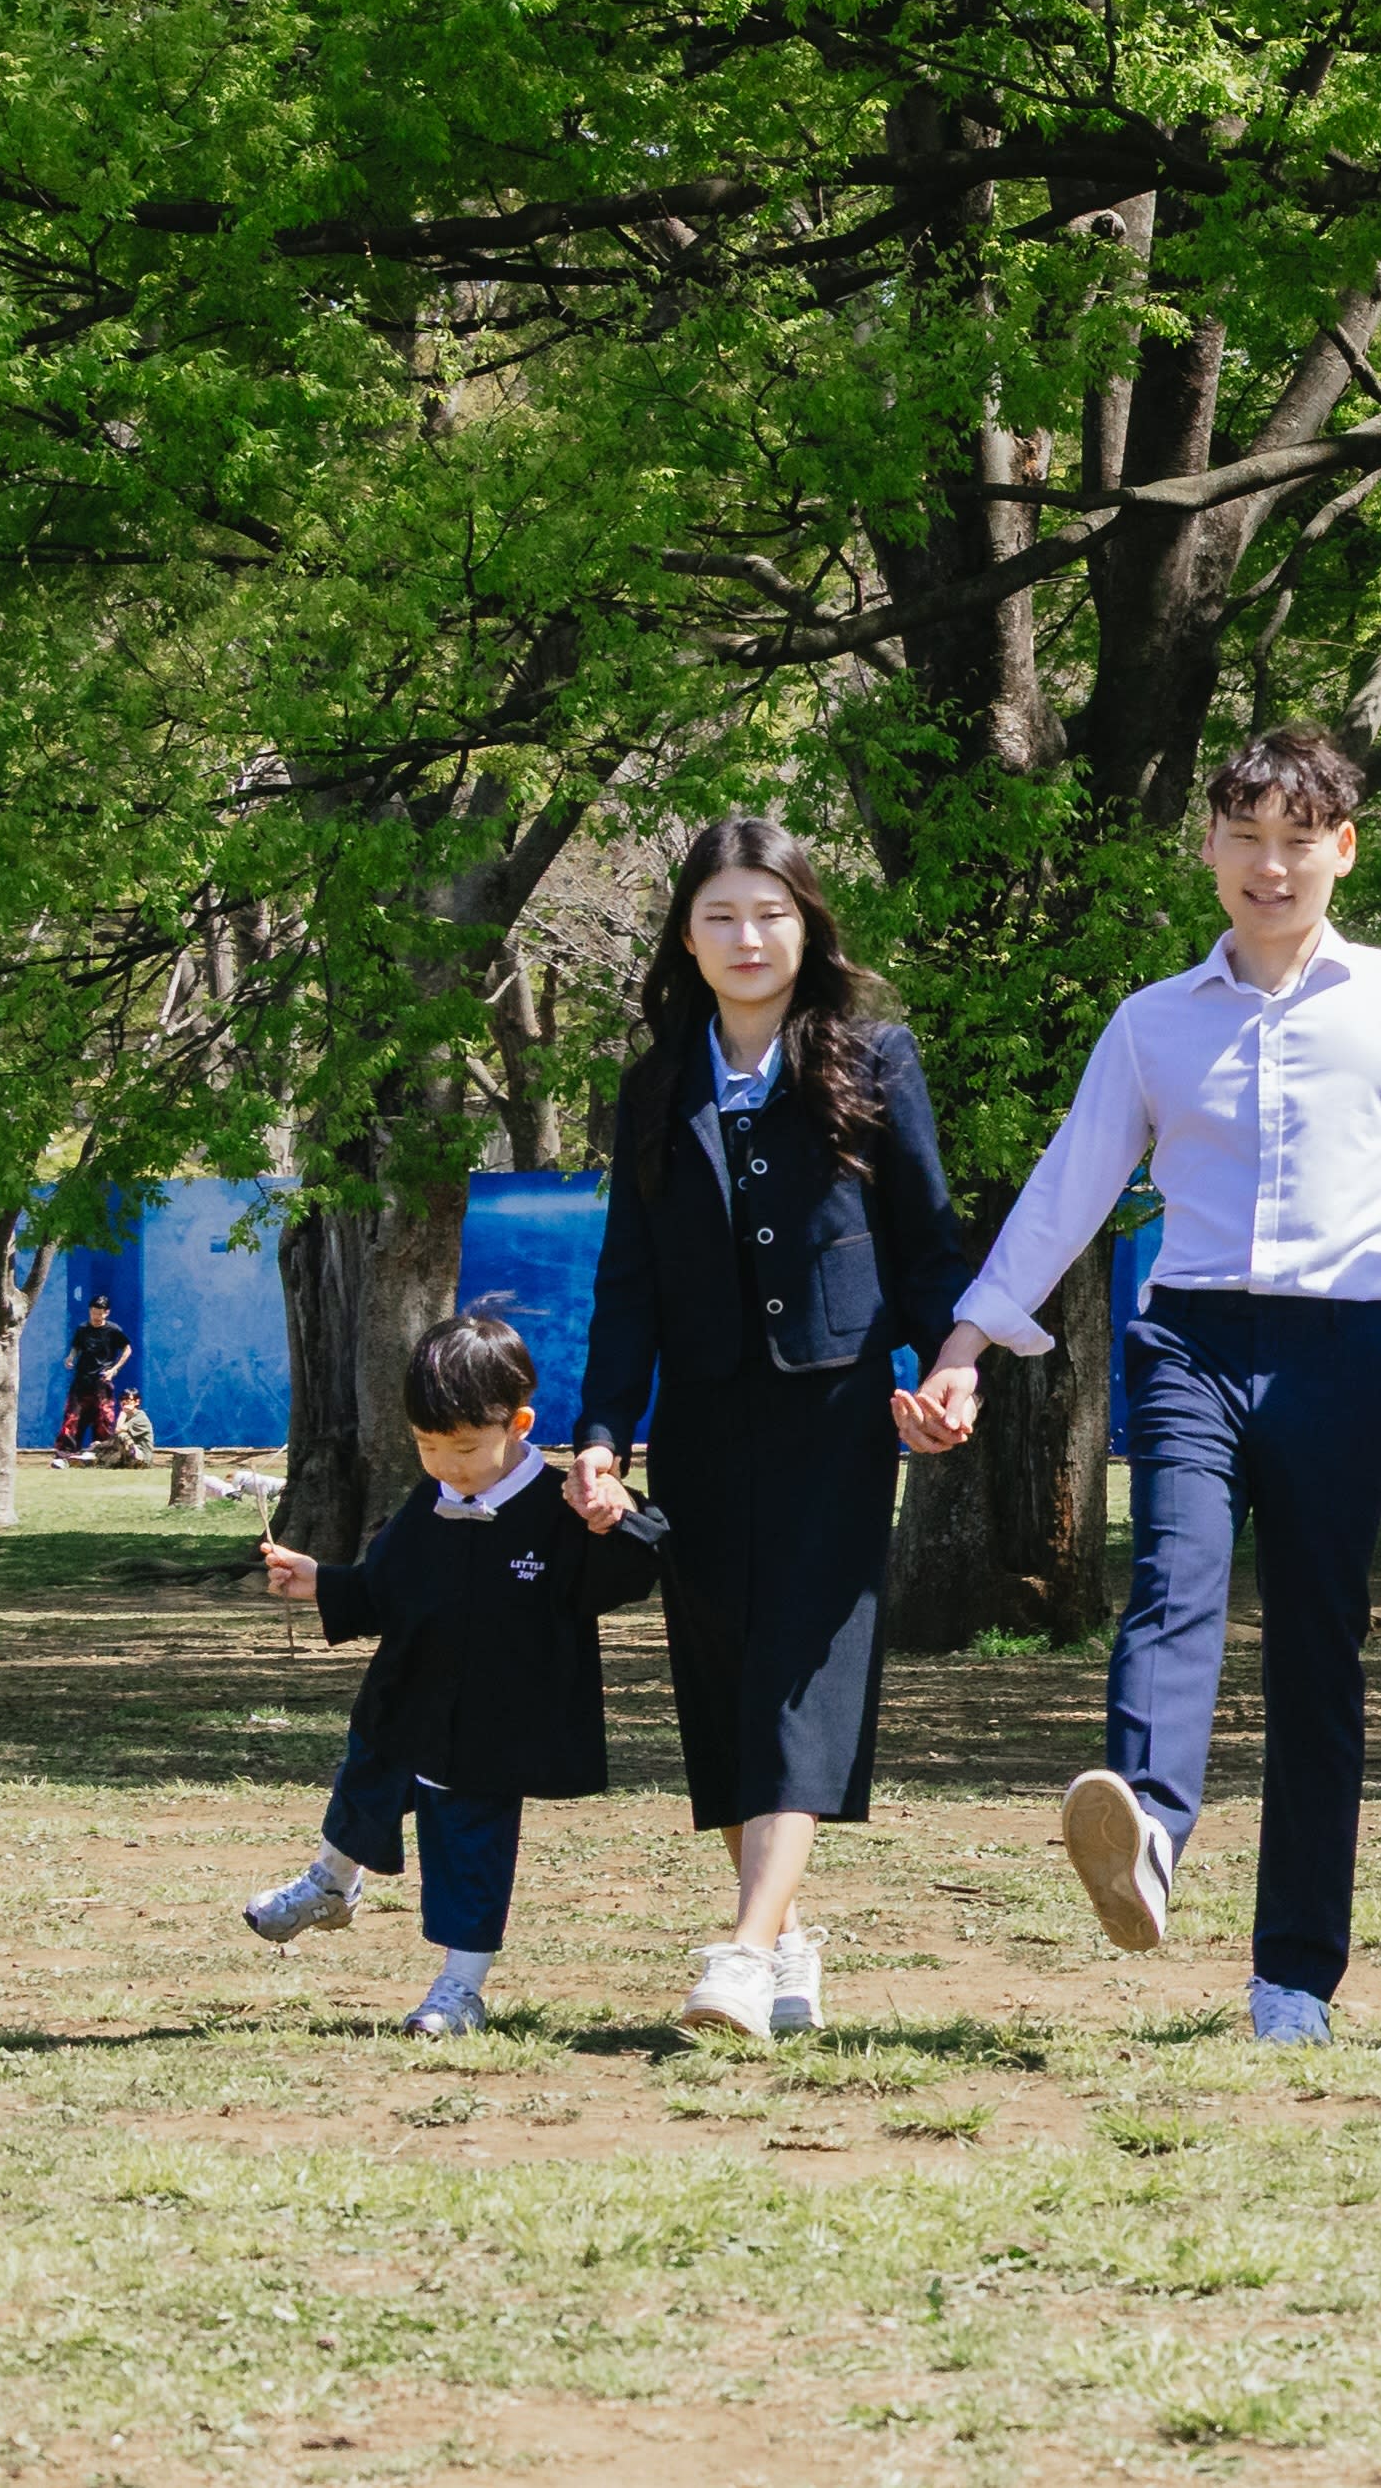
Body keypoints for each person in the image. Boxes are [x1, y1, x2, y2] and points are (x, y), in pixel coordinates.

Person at [900, 724, 1381, 2050]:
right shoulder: (1153, 1022)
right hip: (1189, 1342)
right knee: (1174, 1580)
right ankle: (1150, 1833)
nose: (1270, 864)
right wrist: (965, 1343)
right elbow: (1070, 1182)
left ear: (1344, 849)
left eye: (1298, 839)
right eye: (1246, 837)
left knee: (1317, 1652)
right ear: (1211, 848)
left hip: (1343, 1351)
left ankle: (1294, 1976)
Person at [569, 818, 960, 2045]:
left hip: (835, 1417)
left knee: (799, 1673)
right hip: (698, 1426)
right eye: (722, 915)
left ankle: (740, 1953)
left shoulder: (874, 1057)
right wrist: (600, 1432)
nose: (749, 936)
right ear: (686, 937)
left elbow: (927, 1243)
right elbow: (627, 1281)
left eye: (771, 911)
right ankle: (786, 1939)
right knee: (728, 1685)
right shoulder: (653, 1086)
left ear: (808, 924)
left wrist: (951, 1373)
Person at [239, 1305, 665, 2036]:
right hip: (407, 1698)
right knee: (367, 1778)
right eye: (427, 1446)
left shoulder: (561, 1507)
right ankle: (331, 1883)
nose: (444, 1466)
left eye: (463, 1448)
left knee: (470, 1848)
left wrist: (616, 1517)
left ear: (518, 1425)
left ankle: (460, 1989)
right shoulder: (428, 1500)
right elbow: (387, 1588)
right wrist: (322, 1582)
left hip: (497, 1726)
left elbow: (638, 1564)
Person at [57, 1298, 129, 1460]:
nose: (96, 1317)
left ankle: (102, 1454)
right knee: (72, 1417)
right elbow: (76, 1347)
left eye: (100, 1313)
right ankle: (66, 1454)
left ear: (107, 1313)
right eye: (94, 1313)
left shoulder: (113, 1330)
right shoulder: (82, 1329)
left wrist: (114, 1369)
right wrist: (71, 1357)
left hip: (101, 1381)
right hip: (82, 1380)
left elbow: (127, 1349)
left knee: (103, 1419)